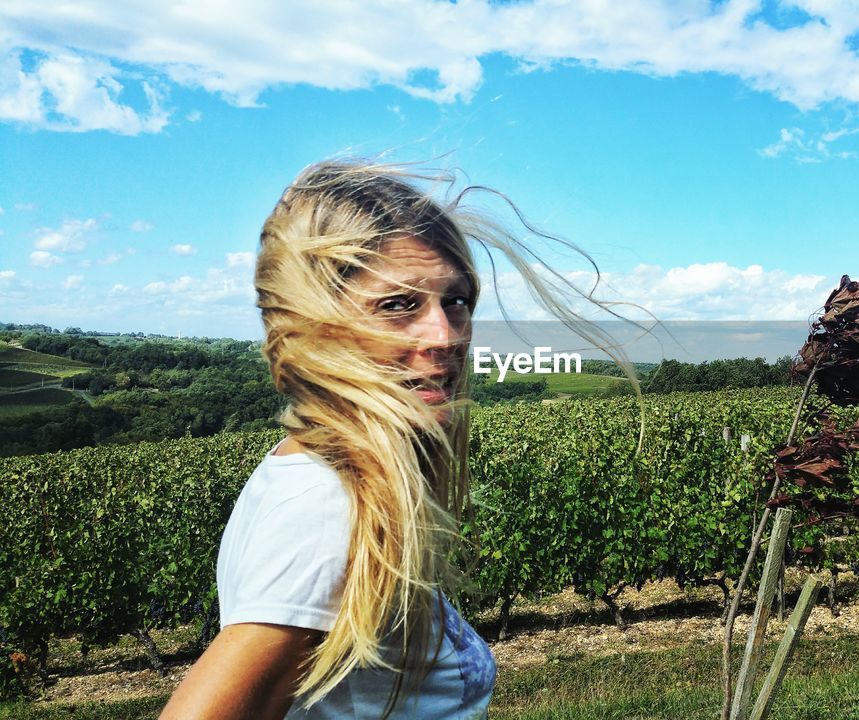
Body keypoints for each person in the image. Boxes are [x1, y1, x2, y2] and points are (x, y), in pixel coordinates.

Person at [160, 159, 638, 719]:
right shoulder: (325, 504)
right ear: (313, 326)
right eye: (397, 304)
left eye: (454, 300)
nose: (445, 334)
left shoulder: (329, 476)